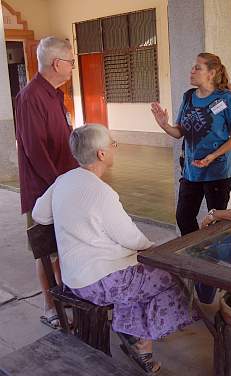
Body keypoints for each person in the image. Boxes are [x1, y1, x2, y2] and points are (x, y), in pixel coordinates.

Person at [32, 125, 196, 374]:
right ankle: (142, 344)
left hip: (74, 277)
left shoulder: (63, 181)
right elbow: (133, 239)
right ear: (101, 154)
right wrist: (157, 252)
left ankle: (132, 333)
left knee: (140, 276)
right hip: (98, 282)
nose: (114, 148)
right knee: (169, 276)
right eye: (113, 144)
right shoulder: (102, 193)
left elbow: (38, 214)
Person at [15, 37, 78, 328]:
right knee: (45, 251)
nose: (73, 67)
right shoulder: (31, 97)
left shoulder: (56, 95)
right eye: (71, 62)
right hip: (44, 191)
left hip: (64, 187)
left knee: (64, 247)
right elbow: (35, 150)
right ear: (57, 63)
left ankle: (64, 294)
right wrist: (60, 186)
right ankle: (49, 306)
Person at [151, 52, 231, 237]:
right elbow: (179, 133)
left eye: (198, 67)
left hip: (218, 171)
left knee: (215, 221)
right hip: (191, 171)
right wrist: (164, 125)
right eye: (193, 67)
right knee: (184, 217)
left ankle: (214, 258)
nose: (192, 71)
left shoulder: (226, 98)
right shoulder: (188, 97)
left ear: (211, 73)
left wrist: (213, 156)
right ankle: (195, 253)